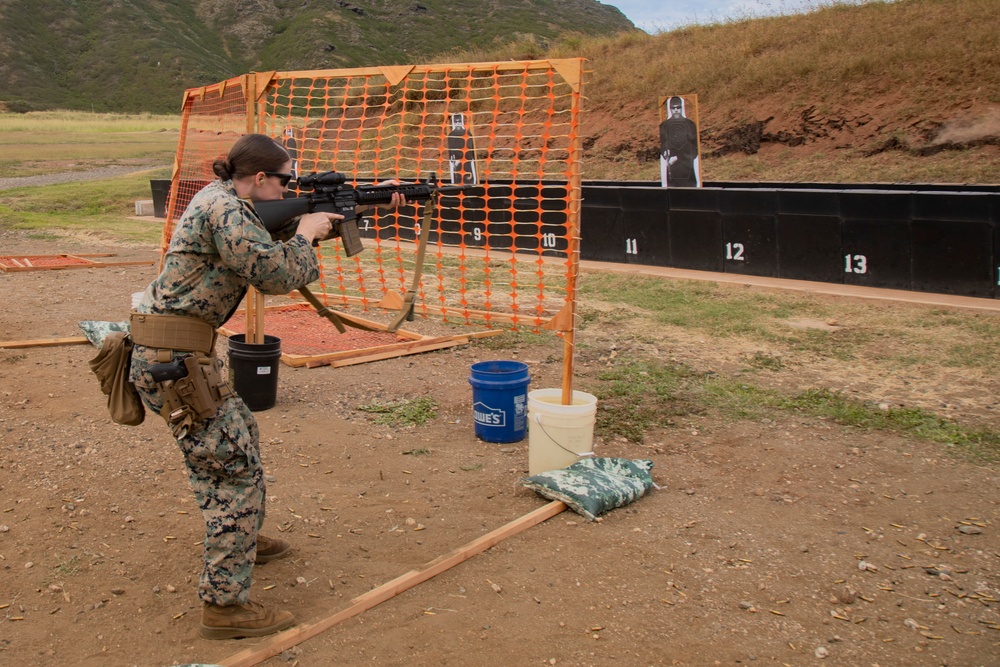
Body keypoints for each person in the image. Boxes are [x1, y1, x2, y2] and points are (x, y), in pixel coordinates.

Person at [128, 134, 404, 640]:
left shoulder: (221, 197)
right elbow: (274, 274)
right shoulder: (228, 212)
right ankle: (225, 605)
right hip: (175, 360)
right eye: (284, 181)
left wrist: (366, 198)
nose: (288, 189)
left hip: (175, 353)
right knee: (232, 470)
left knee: (239, 444)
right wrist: (307, 234)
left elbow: (262, 237)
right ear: (259, 179)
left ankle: (242, 535)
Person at [659, 96, 700, 187]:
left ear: (682, 107)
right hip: (672, 168)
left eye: (678, 107)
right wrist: (665, 153)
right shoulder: (664, 125)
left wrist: (679, 157)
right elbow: (663, 144)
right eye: (673, 108)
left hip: (687, 166)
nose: (676, 110)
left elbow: (694, 147)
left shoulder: (690, 124)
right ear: (670, 109)